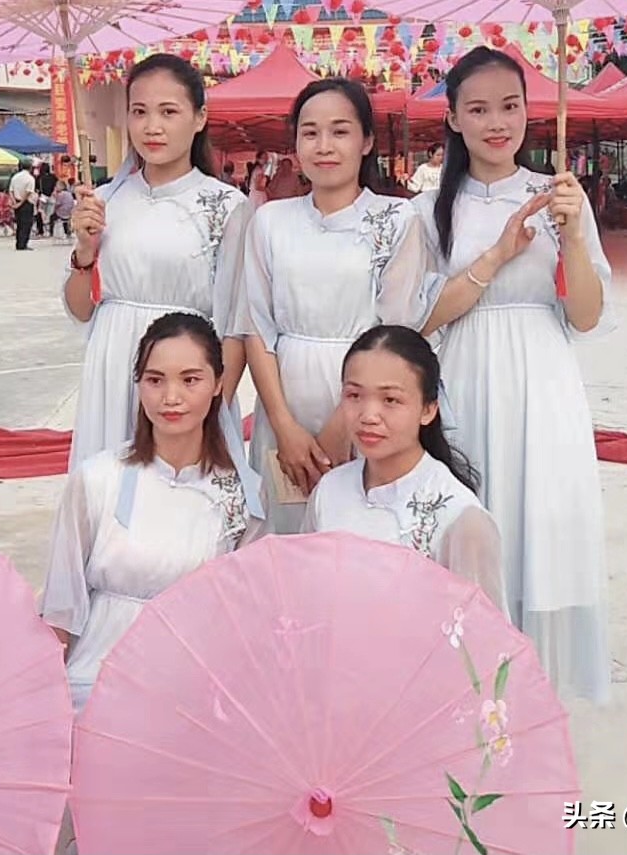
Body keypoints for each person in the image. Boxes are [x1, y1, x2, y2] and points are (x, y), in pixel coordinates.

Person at [412, 46, 614, 703]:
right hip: (463, 379)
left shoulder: (558, 200)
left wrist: (575, 236)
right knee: (473, 526)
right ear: (453, 118)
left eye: (510, 105)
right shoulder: (429, 211)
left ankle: (532, 702)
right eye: (478, 108)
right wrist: (496, 256)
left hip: (543, 385)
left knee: (540, 525)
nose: (497, 122)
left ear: (531, 109)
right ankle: (465, 696)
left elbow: (584, 315)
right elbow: (421, 318)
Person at [40, 312, 263, 714]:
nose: (170, 397)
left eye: (189, 379)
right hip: (96, 680)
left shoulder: (244, 497)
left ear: (218, 384)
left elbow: (243, 621)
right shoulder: (97, 479)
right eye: (155, 380)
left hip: (193, 694)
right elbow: (62, 602)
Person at [241, 78, 432, 535]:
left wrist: (343, 423)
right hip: (283, 398)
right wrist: (284, 425)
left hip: (366, 400)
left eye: (340, 131)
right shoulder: (270, 221)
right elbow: (256, 328)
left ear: (366, 140)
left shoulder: (397, 220)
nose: (324, 146)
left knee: (356, 535)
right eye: (310, 133)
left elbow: (398, 333)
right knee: (285, 533)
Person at [64, 53, 254, 476]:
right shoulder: (105, 201)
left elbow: (238, 323)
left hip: (185, 374)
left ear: (199, 117)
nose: (152, 126)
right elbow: (81, 308)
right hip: (113, 366)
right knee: (112, 493)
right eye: (139, 112)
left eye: (169, 111)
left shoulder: (225, 206)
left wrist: (211, 405)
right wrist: (85, 251)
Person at [302, 325, 506, 613]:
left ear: (428, 409)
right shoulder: (330, 490)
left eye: (390, 400)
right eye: (354, 396)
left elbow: (486, 641)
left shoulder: (459, 517)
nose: (369, 416)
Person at [9, 159, 37, 250]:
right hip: (26, 203)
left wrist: (14, 202)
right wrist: (21, 203)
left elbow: (11, 190)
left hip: (16, 201)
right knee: (26, 224)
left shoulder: (15, 177)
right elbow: (28, 192)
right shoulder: (30, 178)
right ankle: (23, 244)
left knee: (19, 223)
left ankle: (18, 243)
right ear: (30, 167)